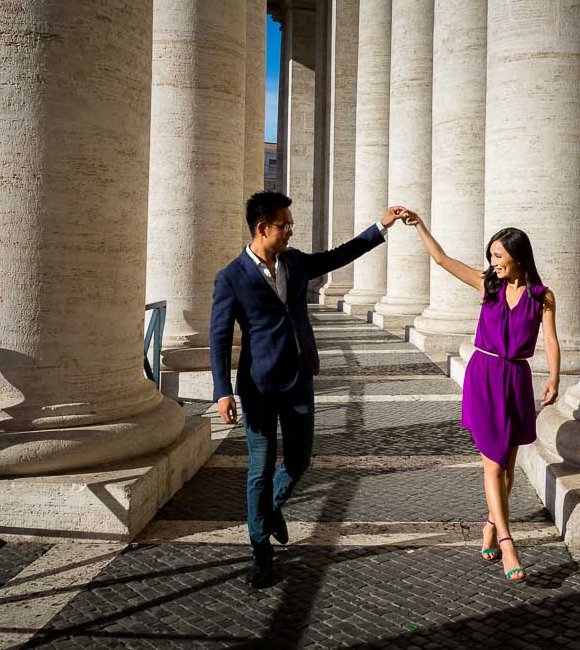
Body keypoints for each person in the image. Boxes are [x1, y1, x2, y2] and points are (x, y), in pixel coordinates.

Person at [210, 191, 405, 588]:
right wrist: (222, 391)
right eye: (284, 225)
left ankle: (270, 511)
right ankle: (260, 549)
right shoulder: (230, 277)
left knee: (300, 460)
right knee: (259, 470)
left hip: (299, 379)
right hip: (259, 387)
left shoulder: (294, 261)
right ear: (263, 229)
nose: (290, 230)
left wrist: (381, 226)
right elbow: (217, 338)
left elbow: (339, 255)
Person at [401, 209, 561, 582]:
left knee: (507, 467)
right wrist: (421, 224)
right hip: (484, 375)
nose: (494, 263)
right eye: (491, 257)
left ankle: (490, 524)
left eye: (499, 257)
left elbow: (550, 340)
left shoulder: (543, 295)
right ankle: (507, 542)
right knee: (491, 464)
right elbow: (442, 260)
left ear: (518, 257)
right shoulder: (486, 285)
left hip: (516, 377)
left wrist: (553, 378)